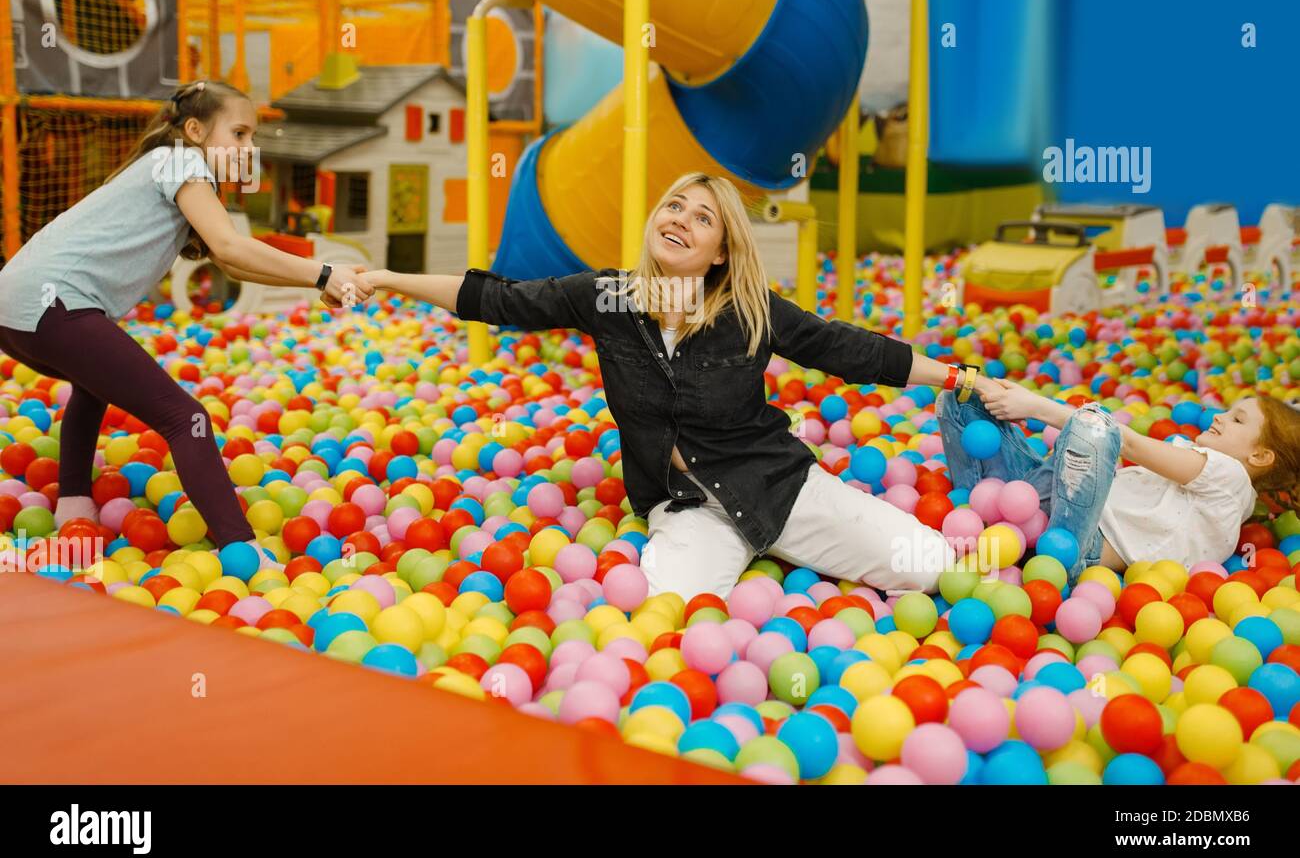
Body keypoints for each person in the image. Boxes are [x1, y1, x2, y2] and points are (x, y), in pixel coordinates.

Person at [360, 171, 1007, 600]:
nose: (680, 220)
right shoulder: (609, 297)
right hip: (689, 509)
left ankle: (788, 552)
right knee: (668, 617)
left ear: (721, 250)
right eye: (674, 206)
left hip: (777, 486)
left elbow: (849, 349)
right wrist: (389, 278)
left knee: (931, 567)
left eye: (702, 218)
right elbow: (497, 298)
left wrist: (959, 377)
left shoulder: (750, 308)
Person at [0, 80, 375, 553]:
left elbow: (233, 262)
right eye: (238, 134)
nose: (248, 148)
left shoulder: (165, 169)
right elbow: (230, 245)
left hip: (15, 310)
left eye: (252, 138)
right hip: (52, 304)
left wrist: (319, 280)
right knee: (187, 418)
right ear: (194, 130)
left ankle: (72, 503)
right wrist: (324, 273)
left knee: (93, 387)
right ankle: (242, 550)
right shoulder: (181, 162)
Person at [942, 379, 1300, 582]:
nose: (1219, 416)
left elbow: (1125, 442)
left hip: (1073, 540)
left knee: (1095, 428)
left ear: (1259, 457)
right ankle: (985, 518)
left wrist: (1033, 405)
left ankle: (985, 524)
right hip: (1043, 506)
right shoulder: (1218, 488)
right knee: (965, 397)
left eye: (1237, 420)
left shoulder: (1230, 476)